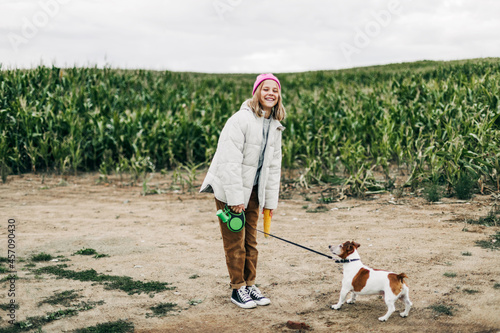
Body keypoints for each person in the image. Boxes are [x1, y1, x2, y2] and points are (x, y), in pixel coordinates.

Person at [200, 73, 286, 309]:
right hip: (231, 189)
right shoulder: (240, 120)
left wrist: (269, 202)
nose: (270, 93)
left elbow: (273, 167)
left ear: (279, 96)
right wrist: (236, 199)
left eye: (275, 90)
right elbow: (229, 162)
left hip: (254, 191)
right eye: (265, 89)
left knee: (251, 242)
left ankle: (250, 284)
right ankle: (237, 289)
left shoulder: (275, 125)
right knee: (235, 242)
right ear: (256, 92)